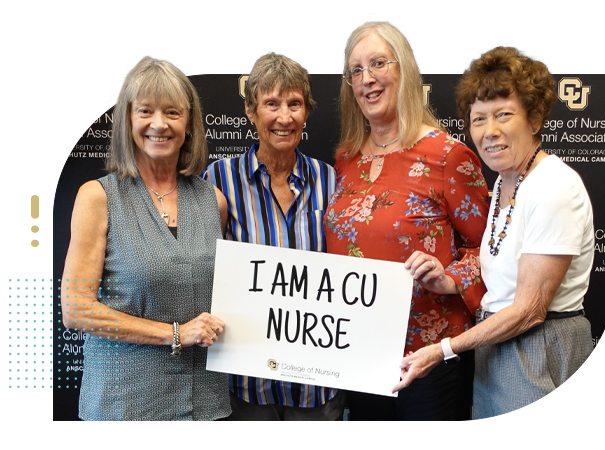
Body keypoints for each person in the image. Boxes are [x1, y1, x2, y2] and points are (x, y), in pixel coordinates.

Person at [394, 45, 596, 421]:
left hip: (539, 353)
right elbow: (502, 279)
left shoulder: (553, 186)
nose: (491, 131)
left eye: (504, 115)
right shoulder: (506, 182)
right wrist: (447, 282)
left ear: (535, 119)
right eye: (479, 119)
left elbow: (529, 311)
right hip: (496, 352)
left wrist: (443, 349)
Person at [324, 20, 490, 420]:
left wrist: (451, 278)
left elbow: (490, 251)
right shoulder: (347, 157)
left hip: (426, 363)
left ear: (405, 70)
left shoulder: (447, 156)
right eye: (356, 71)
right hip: (357, 358)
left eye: (378, 63)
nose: (367, 79)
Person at [60, 54, 231, 421]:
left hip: (204, 405)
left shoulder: (213, 201)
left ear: (189, 123)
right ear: (127, 120)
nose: (159, 124)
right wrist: (175, 334)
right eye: (145, 111)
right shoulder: (97, 198)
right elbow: (76, 309)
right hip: (123, 406)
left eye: (172, 112)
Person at [204, 51, 342, 420]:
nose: (284, 117)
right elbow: (206, 268)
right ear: (251, 112)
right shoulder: (218, 179)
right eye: (271, 104)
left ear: (307, 111)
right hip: (249, 381)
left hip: (317, 381)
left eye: (294, 104)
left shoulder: (330, 180)